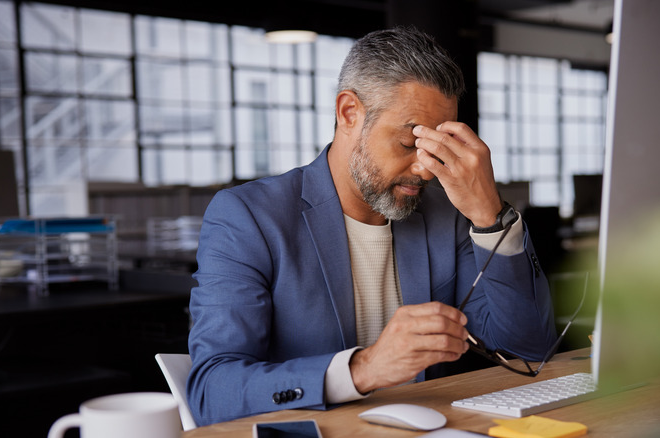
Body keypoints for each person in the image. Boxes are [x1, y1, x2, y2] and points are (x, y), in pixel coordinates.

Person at [187, 26, 556, 426]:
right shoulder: (249, 217)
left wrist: (489, 216)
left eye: (436, 147)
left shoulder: (445, 211)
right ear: (349, 113)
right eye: (408, 142)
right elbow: (211, 391)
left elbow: (529, 347)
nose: (424, 169)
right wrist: (362, 369)